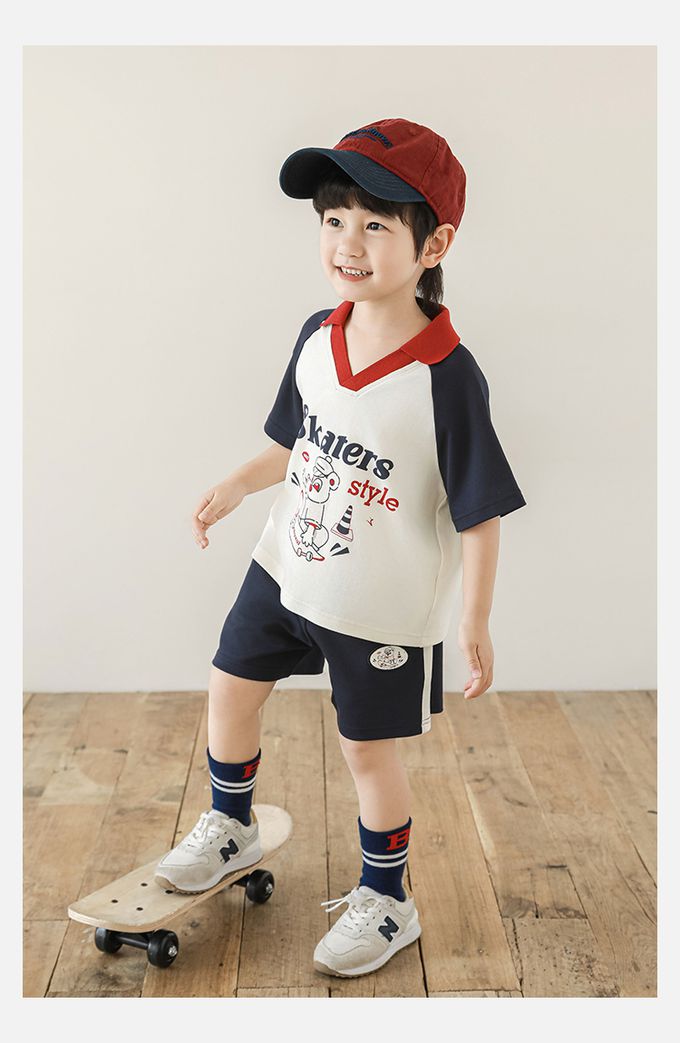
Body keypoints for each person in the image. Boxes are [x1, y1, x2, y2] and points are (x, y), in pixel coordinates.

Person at [154, 117, 527, 979]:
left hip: (378, 605)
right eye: (333, 220)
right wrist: (239, 483)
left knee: (367, 750)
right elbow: (296, 440)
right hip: (286, 566)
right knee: (229, 687)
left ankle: (387, 898)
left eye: (375, 224)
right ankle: (232, 824)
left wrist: (475, 617)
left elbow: (480, 511)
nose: (347, 243)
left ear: (433, 244)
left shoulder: (447, 377)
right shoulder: (318, 335)